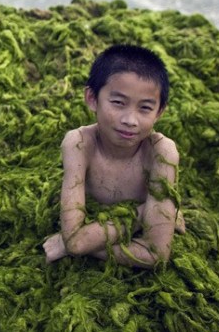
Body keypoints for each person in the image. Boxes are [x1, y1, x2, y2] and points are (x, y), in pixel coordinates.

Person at [43, 44, 185, 269]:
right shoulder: (79, 143)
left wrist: (82, 243)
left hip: (99, 232)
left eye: (145, 108)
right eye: (118, 103)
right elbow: (75, 242)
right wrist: (144, 212)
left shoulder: (161, 152)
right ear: (92, 98)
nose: (130, 119)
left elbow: (156, 255)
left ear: (159, 112)